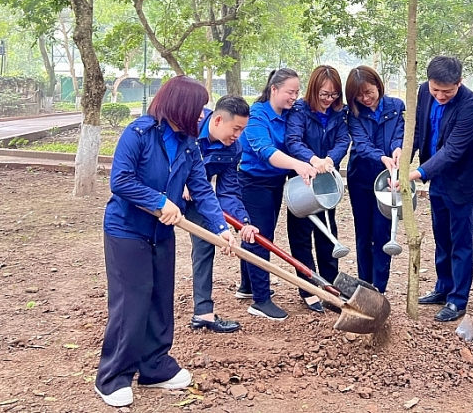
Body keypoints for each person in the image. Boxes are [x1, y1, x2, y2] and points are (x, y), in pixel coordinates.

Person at [95, 76, 237, 408]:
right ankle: (112, 377)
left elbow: (201, 189)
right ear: (180, 106)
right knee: (132, 301)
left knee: (161, 299)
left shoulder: (189, 144)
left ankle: (155, 367)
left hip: (162, 234)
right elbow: (121, 181)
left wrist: (221, 228)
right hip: (127, 231)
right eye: (199, 107)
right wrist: (160, 202)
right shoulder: (139, 134)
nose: (202, 114)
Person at [237, 68, 318, 321]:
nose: (294, 97)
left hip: (275, 181)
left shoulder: (290, 114)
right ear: (274, 89)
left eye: (296, 92)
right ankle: (261, 300)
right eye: (289, 92)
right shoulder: (256, 115)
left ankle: (248, 286)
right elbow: (265, 150)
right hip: (253, 181)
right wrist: (297, 164)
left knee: (257, 232)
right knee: (260, 236)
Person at [410, 56, 473, 323]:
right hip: (435, 180)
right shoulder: (422, 91)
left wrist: (419, 172)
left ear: (459, 83)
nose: (440, 96)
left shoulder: (471, 105)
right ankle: (443, 288)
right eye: (435, 90)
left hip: (460, 181)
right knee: (441, 236)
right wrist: (405, 155)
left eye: (447, 91)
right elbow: (418, 128)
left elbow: (453, 150)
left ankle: (457, 300)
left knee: (461, 241)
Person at [185, 95, 258, 334]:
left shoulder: (233, 148)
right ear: (217, 120)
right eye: (236, 128)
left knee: (207, 243)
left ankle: (203, 313)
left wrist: (243, 222)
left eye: (242, 129)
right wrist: (178, 181)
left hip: (199, 198)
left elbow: (227, 192)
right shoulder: (188, 125)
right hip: (161, 194)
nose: (238, 135)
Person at [285, 65, 351, 312]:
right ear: (314, 90)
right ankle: (308, 288)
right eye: (324, 94)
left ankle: (331, 286)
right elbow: (293, 140)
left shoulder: (338, 113)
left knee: (328, 234)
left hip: (327, 182)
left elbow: (343, 140)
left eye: (334, 95)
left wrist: (330, 159)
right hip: (302, 180)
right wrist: (312, 160)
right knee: (301, 235)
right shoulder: (300, 111)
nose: (328, 100)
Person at [344, 65, 404, 293]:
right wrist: (382, 157)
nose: (365, 98)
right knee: (363, 232)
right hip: (361, 177)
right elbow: (361, 143)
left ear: (378, 86)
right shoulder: (354, 113)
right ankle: (364, 285)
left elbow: (401, 132)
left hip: (389, 180)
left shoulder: (396, 107)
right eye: (359, 95)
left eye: (369, 92)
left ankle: (379, 288)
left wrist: (398, 149)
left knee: (383, 232)